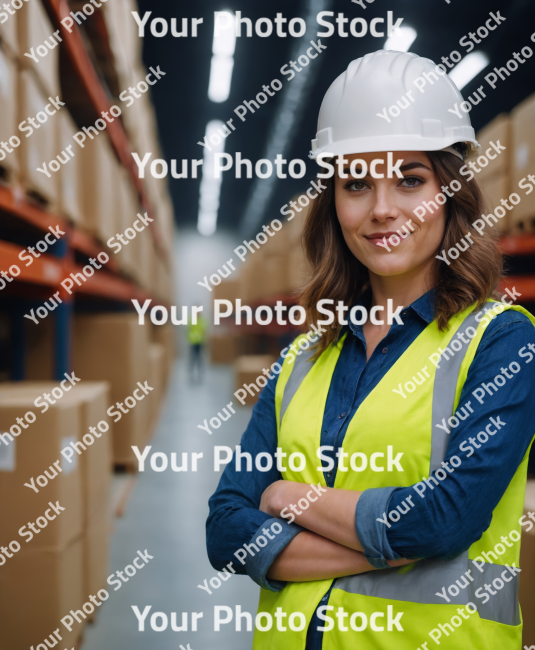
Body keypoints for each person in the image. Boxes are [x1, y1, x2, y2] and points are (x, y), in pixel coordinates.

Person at [206, 50, 535, 649]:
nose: (383, 208)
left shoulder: (502, 341)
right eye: (356, 183)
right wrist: (392, 545)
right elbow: (227, 530)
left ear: (449, 193)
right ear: (333, 203)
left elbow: (445, 520)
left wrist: (286, 498)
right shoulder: (303, 356)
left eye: (410, 179)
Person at [187, 312, 207, 381]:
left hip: (200, 342)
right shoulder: (191, 320)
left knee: (199, 357)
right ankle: (191, 372)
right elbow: (188, 329)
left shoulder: (202, 321)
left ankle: (199, 373)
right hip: (193, 341)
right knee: (193, 357)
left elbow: (204, 331)